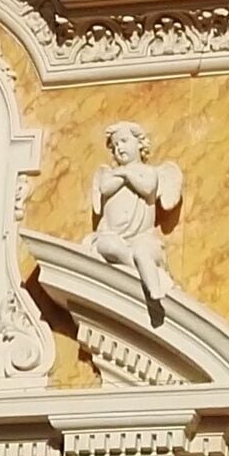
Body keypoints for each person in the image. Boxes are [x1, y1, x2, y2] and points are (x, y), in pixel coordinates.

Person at [88, 121, 184, 315]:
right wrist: (123, 172)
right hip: (113, 236)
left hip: (142, 237)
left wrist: (125, 173)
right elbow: (105, 188)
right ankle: (136, 272)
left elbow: (147, 187)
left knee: (143, 253)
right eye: (115, 146)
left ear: (140, 144)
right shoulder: (111, 174)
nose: (119, 148)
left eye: (123, 141)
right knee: (109, 246)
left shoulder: (149, 172)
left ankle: (155, 287)